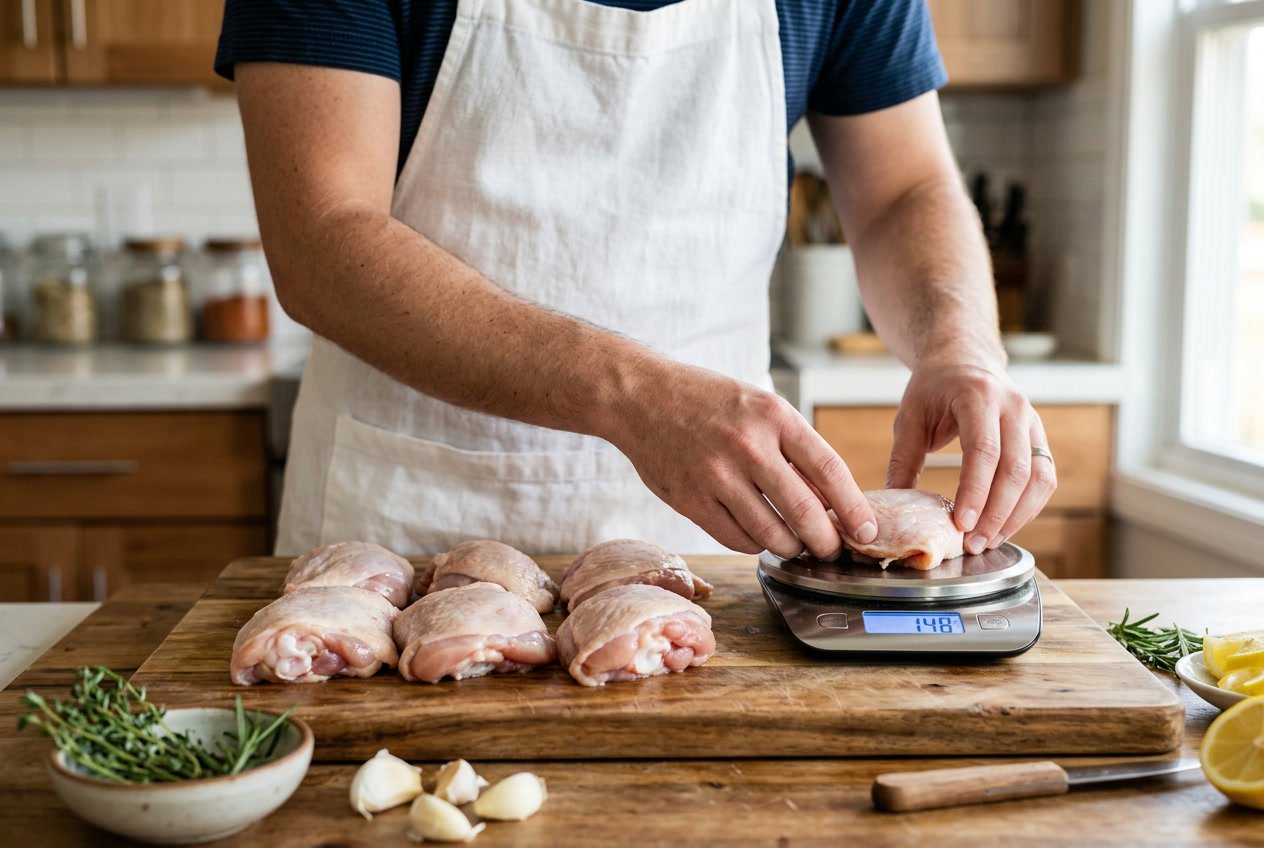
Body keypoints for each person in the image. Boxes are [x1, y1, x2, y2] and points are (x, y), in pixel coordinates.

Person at [215, 0, 1056, 560]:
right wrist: (635, 396)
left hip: (706, 531)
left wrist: (960, 345)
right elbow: (323, 239)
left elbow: (904, 191)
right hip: (406, 525)